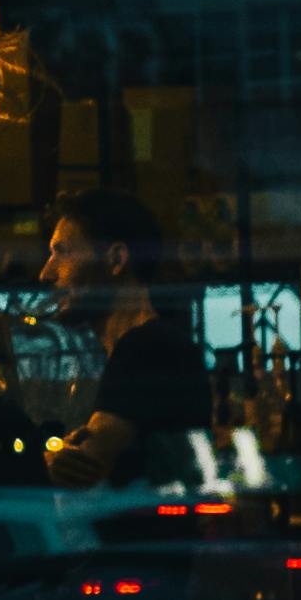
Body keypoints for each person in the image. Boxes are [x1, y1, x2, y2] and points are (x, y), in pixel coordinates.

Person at [38, 187, 211, 490]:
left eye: (63, 253)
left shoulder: (147, 348)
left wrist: (56, 458)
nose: (46, 273)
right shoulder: (146, 346)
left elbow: (79, 468)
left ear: (116, 259)